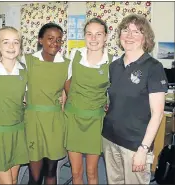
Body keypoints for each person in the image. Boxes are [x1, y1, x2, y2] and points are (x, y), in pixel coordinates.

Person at [102, 14, 168, 184]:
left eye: (136, 32)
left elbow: (158, 113)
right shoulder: (114, 66)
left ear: (145, 38)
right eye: (125, 30)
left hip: (135, 144)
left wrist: (143, 149)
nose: (129, 36)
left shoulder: (153, 67)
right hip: (110, 139)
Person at [64, 18, 115, 184]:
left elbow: (115, 92)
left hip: (95, 121)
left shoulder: (113, 61)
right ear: (84, 36)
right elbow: (66, 81)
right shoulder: (75, 54)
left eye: (98, 34)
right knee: (76, 171)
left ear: (106, 37)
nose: (93, 38)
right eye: (89, 34)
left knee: (92, 171)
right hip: (73, 119)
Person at [21, 23, 69, 185]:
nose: (55, 43)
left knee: (51, 171)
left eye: (59, 40)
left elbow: (71, 93)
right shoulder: (27, 61)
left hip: (55, 122)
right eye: (50, 39)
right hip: (33, 122)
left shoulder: (66, 64)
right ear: (40, 40)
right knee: (34, 176)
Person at [0, 26, 29, 184]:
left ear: (20, 47)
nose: (11, 46)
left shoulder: (24, 71)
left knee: (14, 179)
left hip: (18, 132)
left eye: (16, 42)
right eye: (6, 42)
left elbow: (28, 98)